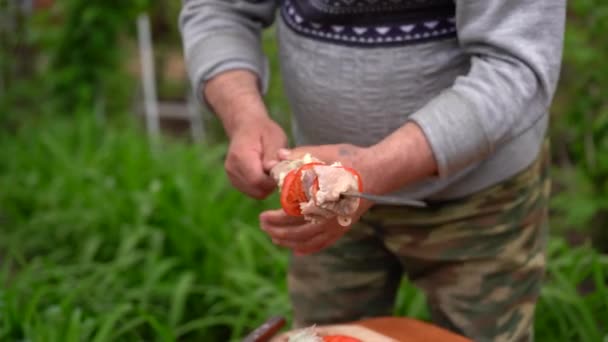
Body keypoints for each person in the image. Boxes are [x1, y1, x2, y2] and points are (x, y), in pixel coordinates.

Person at [179, 1, 566, 341]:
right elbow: (219, 8)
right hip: (325, 196)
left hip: (479, 199)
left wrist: (372, 171)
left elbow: (515, 66)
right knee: (320, 337)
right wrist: (244, 115)